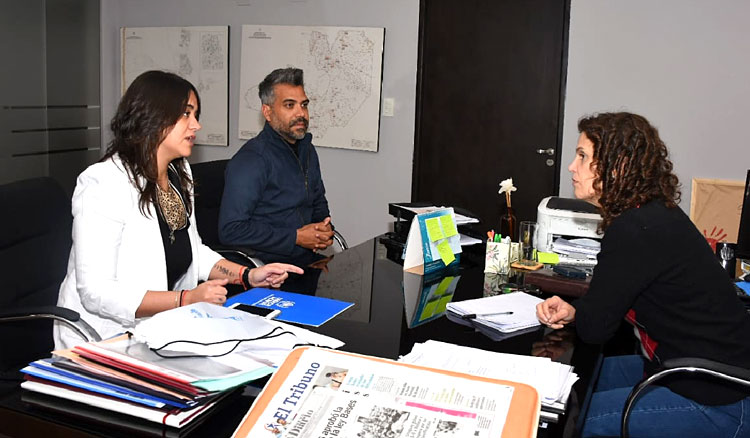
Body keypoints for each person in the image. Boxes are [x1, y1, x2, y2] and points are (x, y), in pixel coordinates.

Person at [535, 112, 750, 437]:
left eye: (582, 156)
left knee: (578, 423)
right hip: (687, 367)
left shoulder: (635, 230)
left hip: (719, 397)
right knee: (572, 388)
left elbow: (595, 328)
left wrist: (585, 313)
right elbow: (607, 305)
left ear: (616, 167)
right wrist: (578, 311)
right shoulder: (651, 213)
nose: (571, 167)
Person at [54, 70, 303, 350]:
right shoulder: (104, 183)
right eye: (186, 114)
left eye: (196, 115)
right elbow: (96, 293)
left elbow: (192, 250)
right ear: (152, 116)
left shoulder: (177, 171)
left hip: (162, 330)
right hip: (103, 340)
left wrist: (247, 275)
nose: (196, 125)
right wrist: (186, 299)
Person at [219, 67, 334, 264]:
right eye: (290, 105)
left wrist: (323, 229)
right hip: (269, 268)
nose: (301, 114)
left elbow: (317, 203)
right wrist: (295, 237)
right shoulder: (252, 159)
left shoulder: (308, 150)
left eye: (304, 105)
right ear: (268, 112)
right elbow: (231, 230)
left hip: (308, 260)